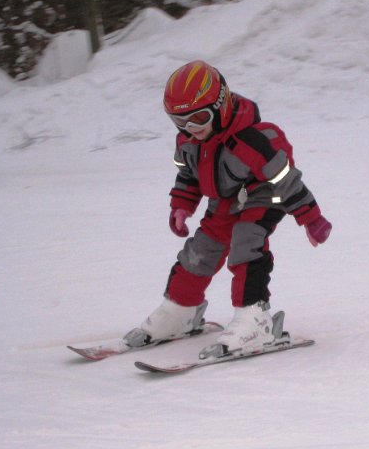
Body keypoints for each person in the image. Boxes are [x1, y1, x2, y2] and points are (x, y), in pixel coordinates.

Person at [124, 60, 331, 355]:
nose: (189, 128)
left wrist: (311, 218)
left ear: (220, 106)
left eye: (197, 118)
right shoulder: (189, 141)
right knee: (200, 250)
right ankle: (180, 311)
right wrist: (181, 206)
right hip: (224, 201)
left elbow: (286, 179)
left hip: (265, 197)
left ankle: (254, 319)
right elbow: (187, 175)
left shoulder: (255, 141)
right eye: (179, 122)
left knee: (246, 244)